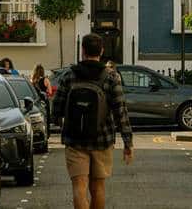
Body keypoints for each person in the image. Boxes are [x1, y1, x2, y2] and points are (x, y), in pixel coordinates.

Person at [52, 34, 133, 209]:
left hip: (75, 139)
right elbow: (121, 110)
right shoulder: (111, 77)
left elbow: (56, 106)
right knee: (98, 188)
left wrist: (62, 122)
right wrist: (127, 143)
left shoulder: (70, 75)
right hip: (102, 139)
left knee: (79, 187)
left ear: (82, 51)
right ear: (101, 51)